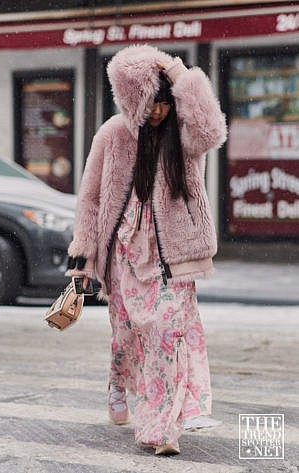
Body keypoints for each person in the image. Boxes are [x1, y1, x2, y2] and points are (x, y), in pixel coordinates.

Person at [66, 44, 227, 455]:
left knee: (167, 336)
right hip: (122, 257)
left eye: (164, 103)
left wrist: (177, 71)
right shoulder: (112, 135)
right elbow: (90, 199)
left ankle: (160, 429)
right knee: (128, 334)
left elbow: (212, 129)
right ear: (130, 100)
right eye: (149, 103)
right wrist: (83, 257)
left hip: (170, 257)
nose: (158, 112)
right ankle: (119, 381)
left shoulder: (185, 135)